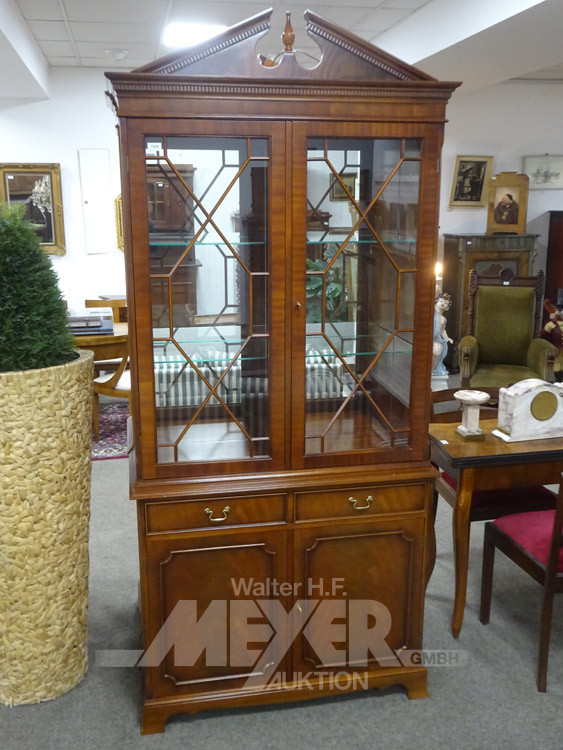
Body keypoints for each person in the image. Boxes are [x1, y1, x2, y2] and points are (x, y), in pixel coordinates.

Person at [433, 292, 453, 376]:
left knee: (438, 350)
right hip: (427, 338)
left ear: (447, 308)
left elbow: (442, 331)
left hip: (436, 339)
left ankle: (434, 368)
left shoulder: (443, 319)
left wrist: (447, 338)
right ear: (436, 302)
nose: (443, 303)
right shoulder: (431, 314)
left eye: (445, 303)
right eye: (441, 301)